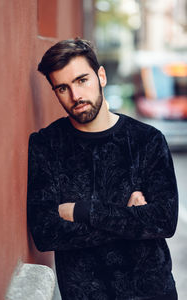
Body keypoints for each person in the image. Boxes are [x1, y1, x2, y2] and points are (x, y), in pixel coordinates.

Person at [27, 38, 178, 300]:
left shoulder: (147, 140)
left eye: (82, 80)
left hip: (150, 291)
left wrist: (81, 210)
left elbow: (164, 221)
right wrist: (129, 219)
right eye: (63, 88)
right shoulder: (46, 144)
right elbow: (46, 233)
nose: (76, 96)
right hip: (84, 293)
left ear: (101, 76)